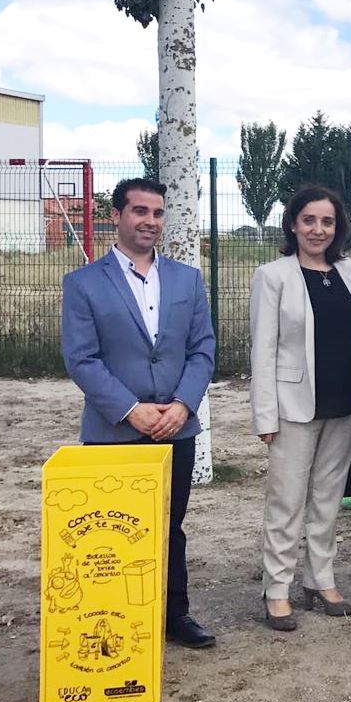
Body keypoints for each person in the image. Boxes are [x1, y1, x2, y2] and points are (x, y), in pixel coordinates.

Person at [60, 177, 217, 649]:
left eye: (158, 213)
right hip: (114, 433)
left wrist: (183, 404)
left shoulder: (188, 280)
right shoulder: (83, 284)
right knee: (113, 536)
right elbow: (81, 359)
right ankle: (119, 618)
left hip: (177, 427)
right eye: (140, 211)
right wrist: (131, 411)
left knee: (171, 527)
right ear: (117, 215)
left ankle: (175, 615)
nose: (150, 221)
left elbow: (202, 349)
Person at [250, 185, 351, 630]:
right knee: (286, 502)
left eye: (327, 222)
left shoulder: (346, 269)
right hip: (292, 407)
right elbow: (262, 349)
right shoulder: (273, 275)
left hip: (343, 403)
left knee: (328, 499)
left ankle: (320, 580)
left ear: (337, 228)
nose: (318, 230)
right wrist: (264, 415)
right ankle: (276, 589)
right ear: (293, 224)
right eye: (309, 220)